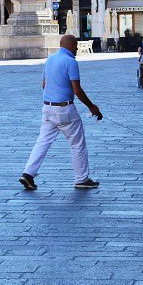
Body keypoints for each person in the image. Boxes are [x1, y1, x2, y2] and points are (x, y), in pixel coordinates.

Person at [19, 35, 102, 191]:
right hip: (64, 109)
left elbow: (44, 85)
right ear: (70, 46)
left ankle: (28, 174)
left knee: (42, 141)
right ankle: (82, 178)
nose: (77, 48)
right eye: (76, 45)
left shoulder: (50, 59)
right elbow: (77, 90)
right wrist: (92, 107)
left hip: (47, 108)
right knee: (78, 144)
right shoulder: (71, 62)